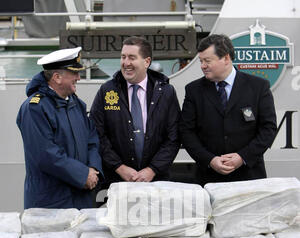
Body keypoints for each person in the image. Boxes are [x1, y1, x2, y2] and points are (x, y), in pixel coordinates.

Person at [180, 34, 277, 186]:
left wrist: (242, 157)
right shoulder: (194, 90)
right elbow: (186, 132)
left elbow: (268, 129)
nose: (202, 66)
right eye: (201, 61)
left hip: (250, 178)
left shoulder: (258, 87)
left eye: (207, 61)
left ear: (226, 58)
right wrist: (210, 160)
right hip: (208, 179)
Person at [17, 46, 103, 209]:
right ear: (57, 77)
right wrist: (83, 175)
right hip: (50, 201)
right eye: (74, 73)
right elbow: (46, 155)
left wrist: (93, 169)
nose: (78, 77)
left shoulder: (75, 103)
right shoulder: (35, 108)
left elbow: (92, 139)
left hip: (80, 198)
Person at [90, 36, 181, 185]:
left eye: (132, 58)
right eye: (123, 57)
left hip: (156, 180)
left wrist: (152, 169)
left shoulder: (166, 92)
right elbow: (97, 133)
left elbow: (173, 137)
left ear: (147, 62)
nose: (126, 63)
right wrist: (119, 167)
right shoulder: (107, 91)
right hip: (116, 180)